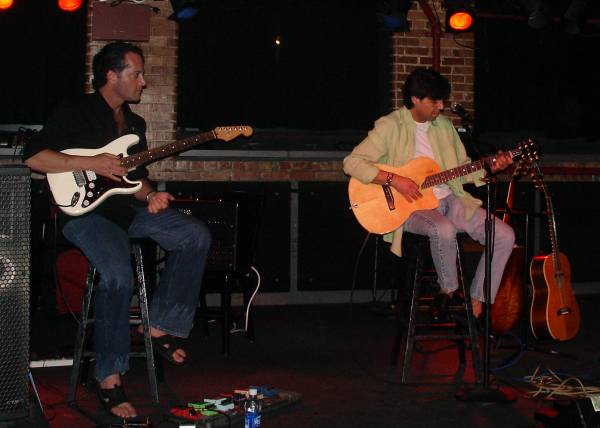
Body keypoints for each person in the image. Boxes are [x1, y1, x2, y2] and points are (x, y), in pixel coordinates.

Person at [23, 42, 212, 419]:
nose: (143, 82)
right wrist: (92, 161)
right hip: (86, 217)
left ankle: (159, 325)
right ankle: (108, 375)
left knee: (194, 235)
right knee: (116, 274)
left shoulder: (135, 126)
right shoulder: (74, 111)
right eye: (136, 74)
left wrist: (151, 196)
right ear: (111, 76)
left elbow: (133, 181)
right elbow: (35, 157)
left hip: (128, 212)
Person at [343, 67, 515, 321]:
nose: (441, 106)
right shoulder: (391, 126)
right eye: (435, 101)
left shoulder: (444, 127)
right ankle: (449, 291)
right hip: (410, 208)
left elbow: (462, 169)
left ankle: (478, 297)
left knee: (504, 234)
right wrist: (395, 180)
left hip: (450, 199)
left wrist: (490, 167)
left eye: (442, 100)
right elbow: (351, 163)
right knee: (443, 229)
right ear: (415, 99)